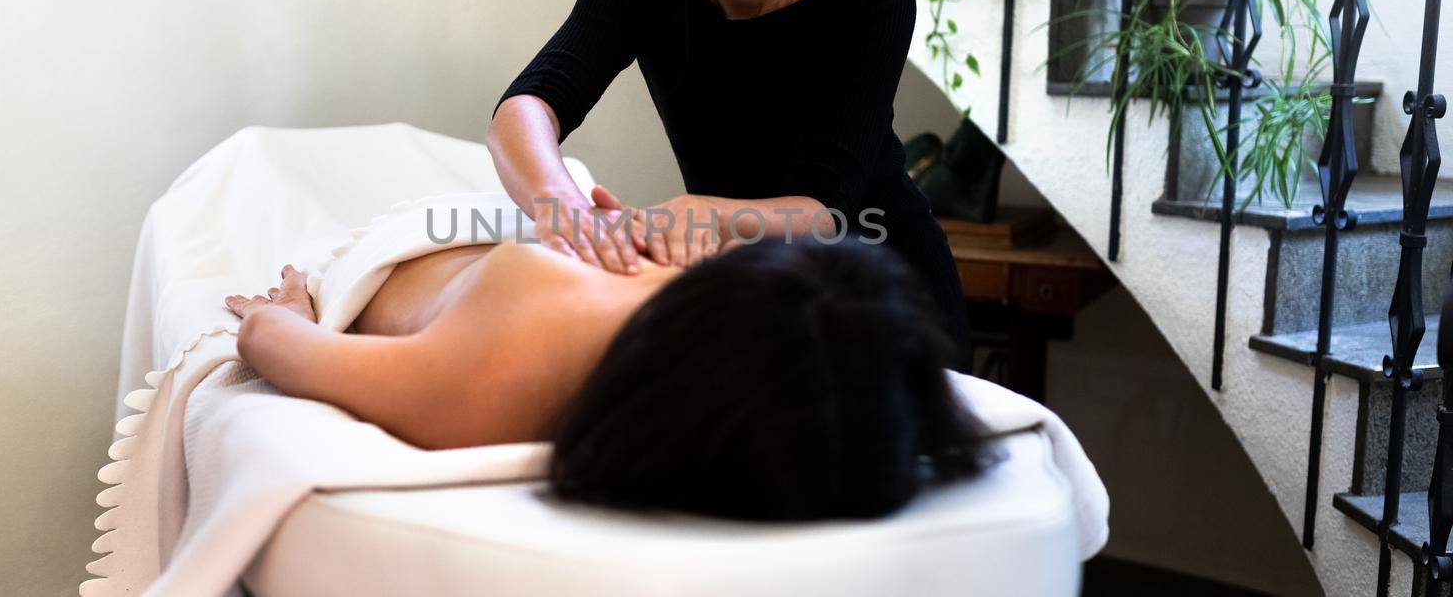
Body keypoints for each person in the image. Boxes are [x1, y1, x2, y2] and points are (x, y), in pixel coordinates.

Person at [486, 0, 974, 370]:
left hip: (889, 291)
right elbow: (526, 106)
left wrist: (702, 214)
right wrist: (565, 209)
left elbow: (823, 212)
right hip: (760, 295)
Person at [224, 234, 989, 521]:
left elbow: (269, 334)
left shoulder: (497, 372)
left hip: (428, 245)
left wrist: (295, 308)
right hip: (490, 226)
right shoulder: (789, 317)